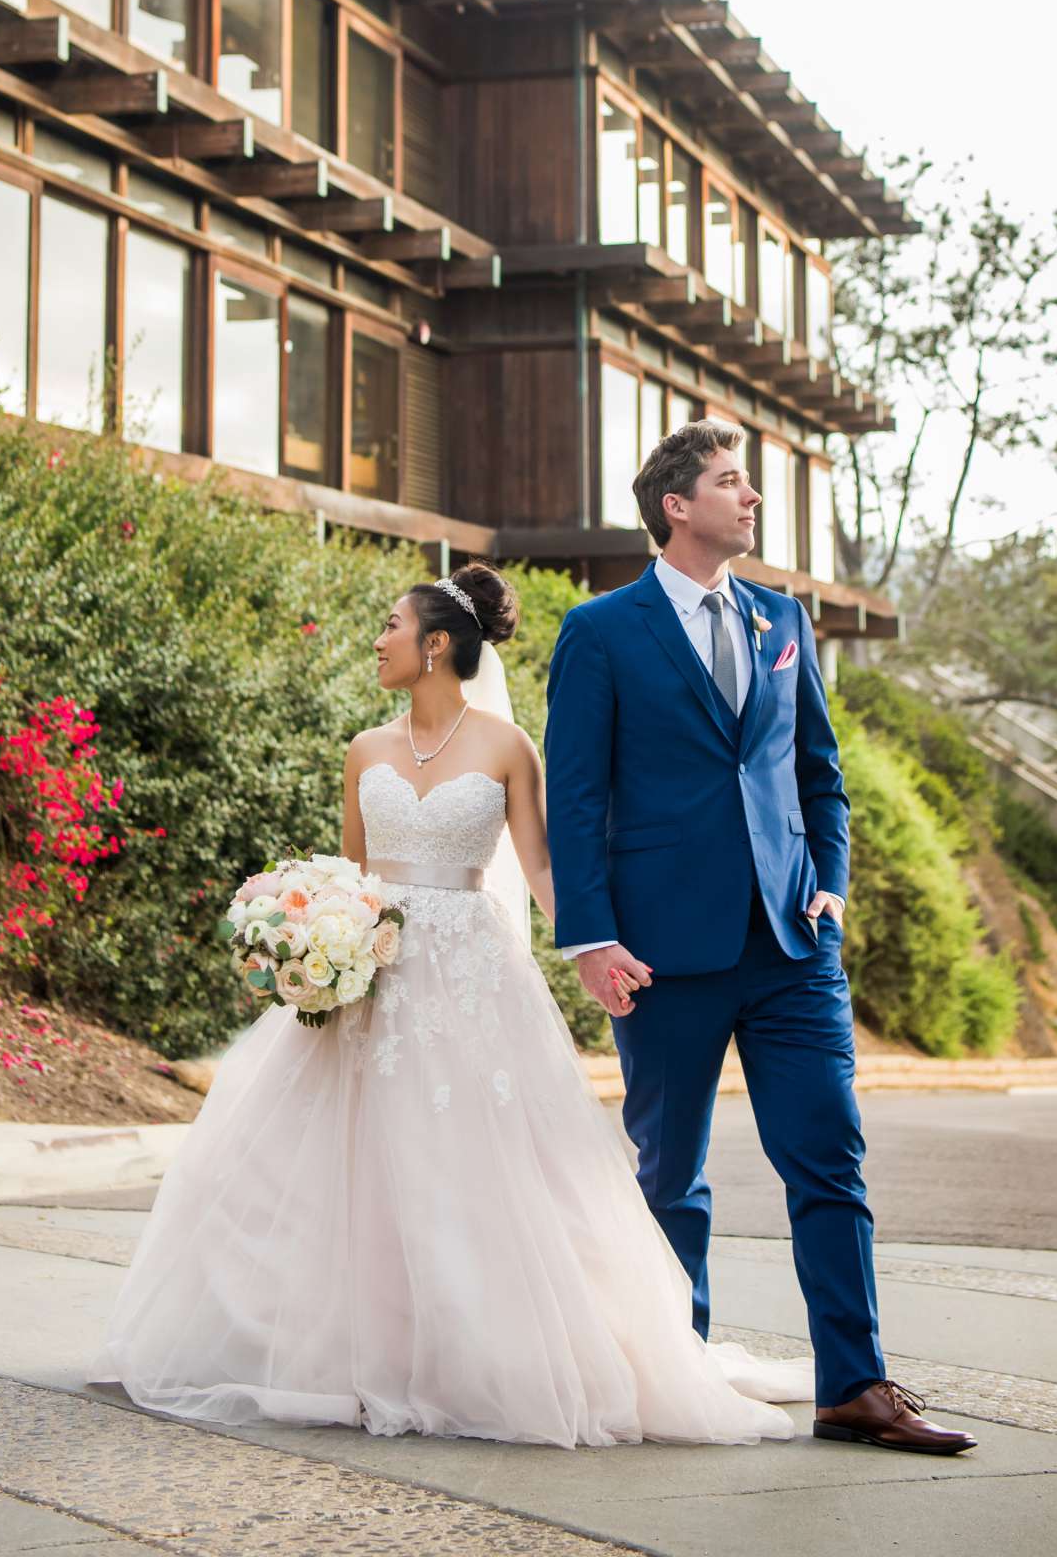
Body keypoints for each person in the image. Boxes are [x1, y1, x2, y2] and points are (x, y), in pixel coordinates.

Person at [86, 560, 810, 1446]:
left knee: (467, 1159)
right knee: (343, 1159)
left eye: (391, 625)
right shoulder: (364, 749)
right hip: (371, 970)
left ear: (435, 645)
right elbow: (348, 875)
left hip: (470, 971)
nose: (378, 639)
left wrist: (596, 943)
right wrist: (308, 932)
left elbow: (544, 868)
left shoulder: (509, 749)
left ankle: (470, 1351)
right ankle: (343, 1349)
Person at [545, 421, 976, 1456]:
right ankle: (672, 1375)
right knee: (671, 1176)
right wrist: (591, 939)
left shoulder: (784, 619)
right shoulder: (601, 631)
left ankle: (855, 1386)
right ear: (675, 508)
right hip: (660, 954)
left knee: (829, 1161)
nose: (751, 499)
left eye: (748, 483)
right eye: (731, 483)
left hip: (791, 949)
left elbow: (818, 773)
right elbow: (575, 797)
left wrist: (829, 884)